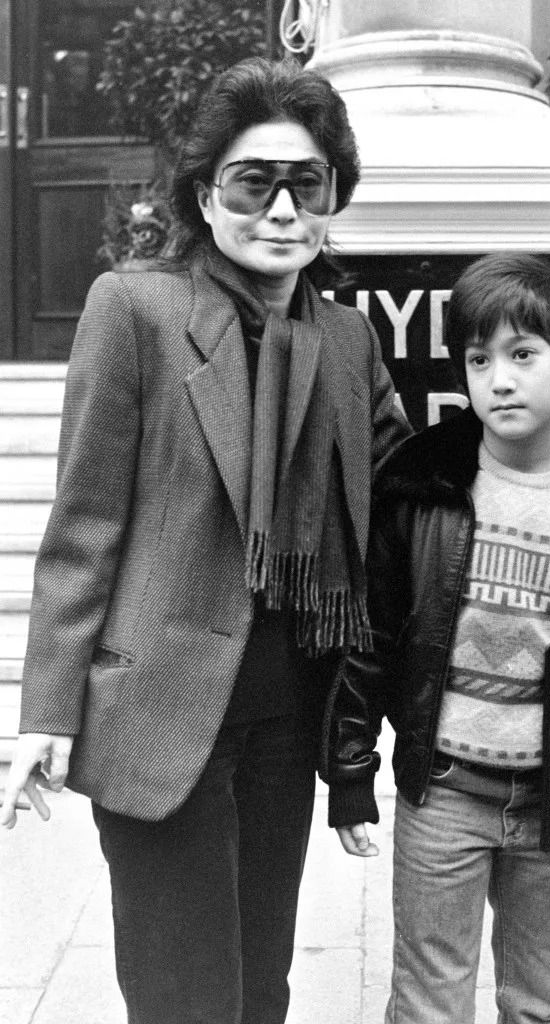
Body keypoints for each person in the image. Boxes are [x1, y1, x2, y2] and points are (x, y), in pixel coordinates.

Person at [0, 57, 411, 1024]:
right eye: (252, 182)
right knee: (185, 999)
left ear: (331, 201)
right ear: (205, 193)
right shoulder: (133, 310)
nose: (279, 210)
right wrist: (46, 713)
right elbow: (84, 524)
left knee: (257, 990)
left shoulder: (345, 341)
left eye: (304, 185)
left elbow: (406, 496)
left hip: (287, 718)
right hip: (157, 714)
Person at [322, 252, 550, 1024]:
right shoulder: (423, 487)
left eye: (523, 355)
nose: (499, 379)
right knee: (427, 1000)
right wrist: (349, 767)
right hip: (441, 793)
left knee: (540, 1003)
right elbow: (372, 635)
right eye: (480, 359)